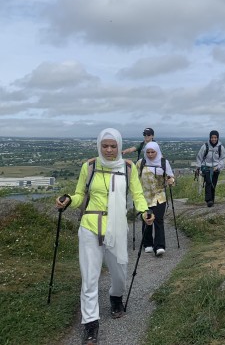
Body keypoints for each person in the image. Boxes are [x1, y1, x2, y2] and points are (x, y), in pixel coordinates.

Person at [55, 128, 154, 345]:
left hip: (117, 227)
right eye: (105, 146)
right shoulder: (89, 167)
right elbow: (80, 195)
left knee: (119, 273)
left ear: (119, 146)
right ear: (99, 146)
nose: (109, 150)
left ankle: (116, 296)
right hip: (90, 226)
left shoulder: (128, 168)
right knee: (90, 277)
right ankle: (90, 323)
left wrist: (144, 211)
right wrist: (69, 200)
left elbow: (137, 194)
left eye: (113, 146)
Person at [136, 142, 175, 256]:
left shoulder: (163, 162)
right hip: (145, 197)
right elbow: (135, 178)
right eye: (148, 152)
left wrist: (171, 181)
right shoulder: (140, 163)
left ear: (157, 152)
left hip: (159, 195)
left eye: (153, 152)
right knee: (147, 219)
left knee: (158, 219)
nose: (150, 154)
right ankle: (147, 243)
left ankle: (159, 246)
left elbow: (171, 177)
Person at [195, 130, 225, 207]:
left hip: (216, 168)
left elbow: (222, 159)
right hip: (206, 167)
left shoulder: (220, 147)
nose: (213, 139)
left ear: (217, 138)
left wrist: (217, 167)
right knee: (208, 182)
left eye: (215, 137)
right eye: (212, 137)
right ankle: (208, 200)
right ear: (210, 138)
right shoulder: (205, 146)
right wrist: (198, 167)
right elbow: (199, 157)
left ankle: (212, 200)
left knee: (213, 184)